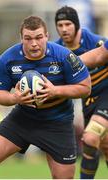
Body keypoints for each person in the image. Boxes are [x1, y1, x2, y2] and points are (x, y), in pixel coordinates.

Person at [0, 15, 91, 179]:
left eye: (38, 37)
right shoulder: (8, 58)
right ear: (21, 38)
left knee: (63, 177)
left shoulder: (64, 56)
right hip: (23, 119)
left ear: (47, 36)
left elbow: (85, 88)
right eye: (28, 38)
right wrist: (15, 99)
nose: (34, 43)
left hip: (58, 122)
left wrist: (55, 91)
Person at [55, 6, 108, 179]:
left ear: (77, 24)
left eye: (68, 24)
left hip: (106, 96)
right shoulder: (56, 51)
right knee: (103, 146)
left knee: (91, 137)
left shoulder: (96, 42)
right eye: (60, 25)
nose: (64, 29)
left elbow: (100, 56)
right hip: (88, 103)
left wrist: (68, 65)